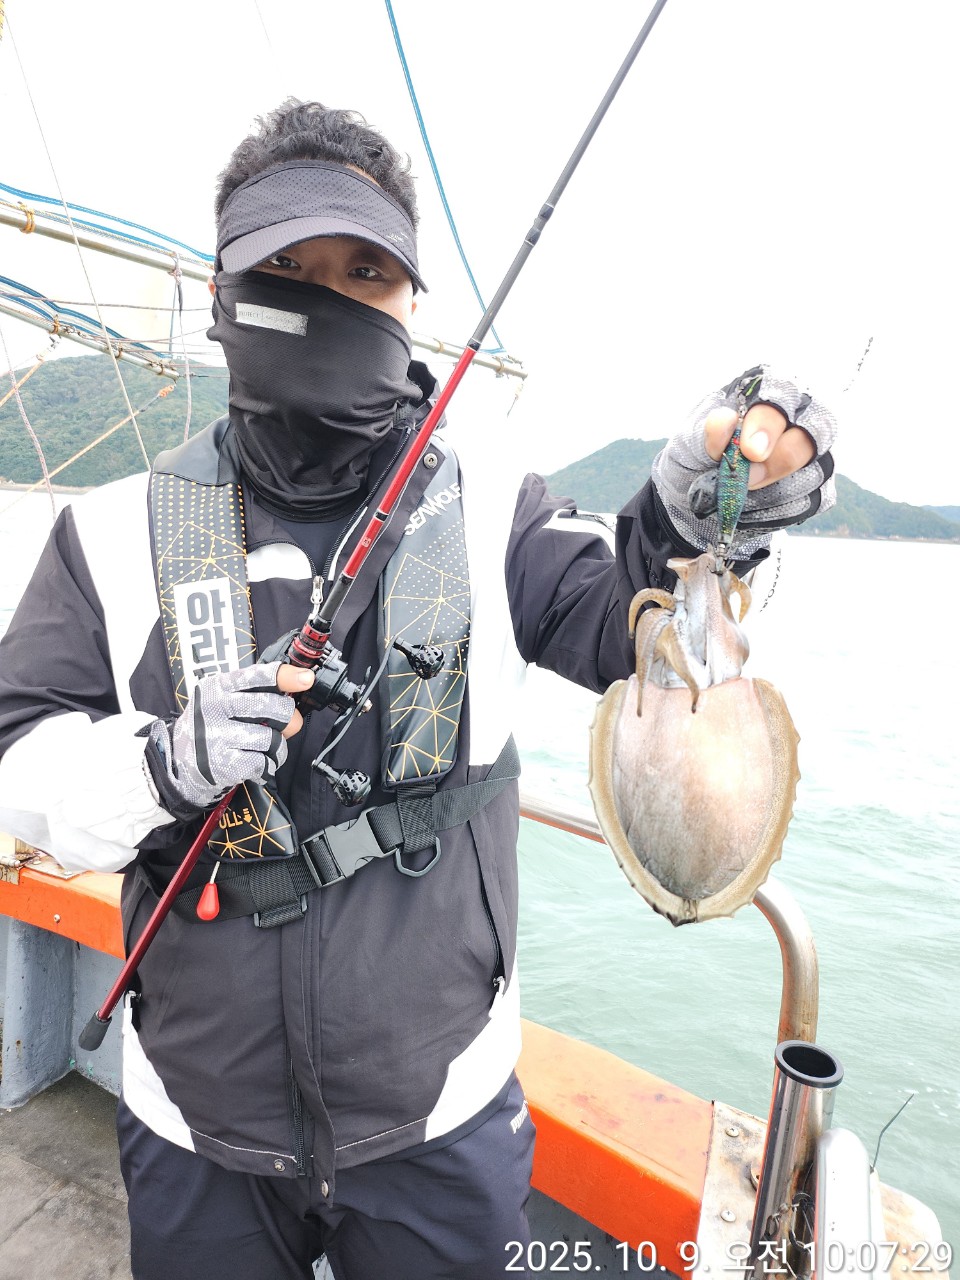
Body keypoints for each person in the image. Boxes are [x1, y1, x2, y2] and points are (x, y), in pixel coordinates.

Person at [0, 100, 837, 1279]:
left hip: (442, 1108)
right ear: (223, 293)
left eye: (366, 272)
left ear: (408, 301)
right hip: (193, 1113)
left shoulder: (493, 507)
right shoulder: (109, 527)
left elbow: (624, 612)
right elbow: (16, 753)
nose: (330, 300)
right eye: (286, 271)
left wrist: (707, 506)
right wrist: (163, 763)